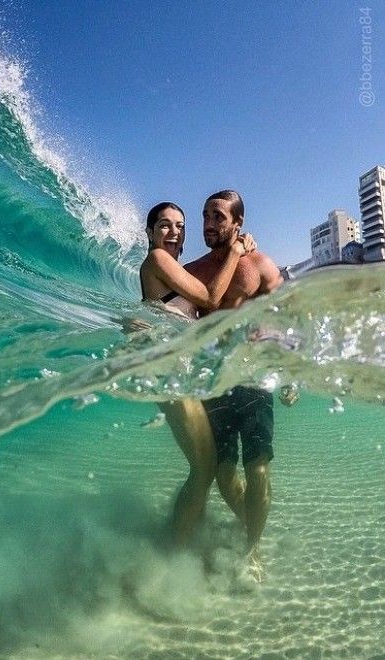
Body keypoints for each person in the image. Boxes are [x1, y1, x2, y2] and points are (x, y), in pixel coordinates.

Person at [139, 201, 256, 547]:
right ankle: (173, 554)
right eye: (164, 225)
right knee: (204, 468)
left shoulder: (175, 269)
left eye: (180, 225)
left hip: (183, 373)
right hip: (167, 373)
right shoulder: (158, 260)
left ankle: (189, 538)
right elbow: (210, 296)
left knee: (207, 467)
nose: (174, 232)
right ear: (149, 233)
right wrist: (235, 249)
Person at [185, 190, 283, 581]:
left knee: (257, 466)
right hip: (214, 380)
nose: (209, 224)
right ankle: (250, 525)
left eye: (218, 217)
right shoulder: (193, 270)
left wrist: (285, 369)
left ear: (237, 224)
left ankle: (252, 550)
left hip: (254, 376)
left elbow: (285, 314)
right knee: (224, 473)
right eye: (205, 216)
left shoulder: (259, 264)